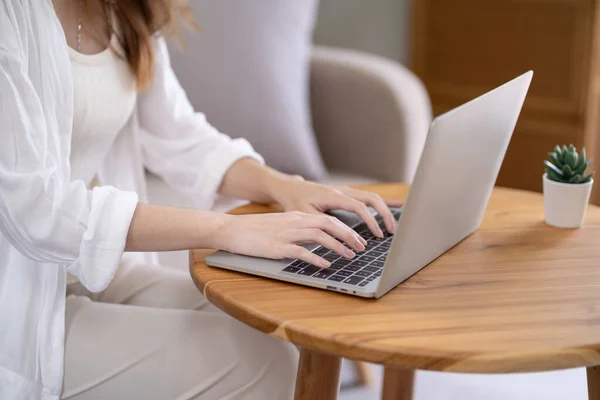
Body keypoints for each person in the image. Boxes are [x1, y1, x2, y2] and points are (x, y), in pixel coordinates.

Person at [0, 1, 401, 399]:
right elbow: (37, 210)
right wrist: (228, 230)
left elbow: (179, 135)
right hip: (17, 299)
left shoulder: (123, 9)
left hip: (90, 271)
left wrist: (286, 186)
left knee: (273, 321)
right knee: (264, 365)